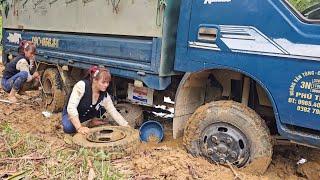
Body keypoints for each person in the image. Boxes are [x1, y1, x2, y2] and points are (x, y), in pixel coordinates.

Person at [62, 66, 129, 134]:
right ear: (95, 80)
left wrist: (126, 125)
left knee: (104, 108)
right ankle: (82, 124)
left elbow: (113, 111)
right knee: (69, 127)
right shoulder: (81, 86)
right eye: (103, 82)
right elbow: (71, 108)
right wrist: (79, 127)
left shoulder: (104, 95)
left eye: (108, 82)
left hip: (86, 116)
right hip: (72, 113)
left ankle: (89, 122)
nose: (106, 85)